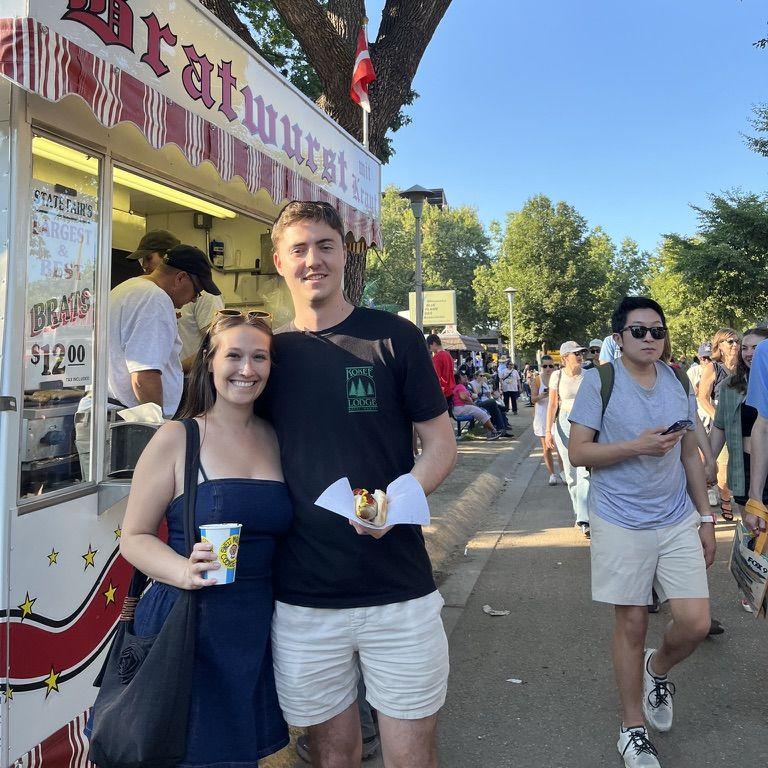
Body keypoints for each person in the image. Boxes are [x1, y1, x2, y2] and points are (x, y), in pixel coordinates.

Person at [262, 201, 457, 768]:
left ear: (346, 253)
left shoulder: (393, 338)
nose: (313, 260)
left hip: (397, 589)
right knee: (332, 758)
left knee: (410, 760)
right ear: (279, 261)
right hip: (302, 597)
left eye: (325, 246)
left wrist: (394, 504)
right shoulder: (269, 355)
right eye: (298, 249)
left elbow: (440, 445)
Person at [118, 311, 291, 766]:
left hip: (254, 626)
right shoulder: (178, 438)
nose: (247, 369)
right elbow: (133, 537)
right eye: (233, 356)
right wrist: (182, 569)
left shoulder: (277, 437)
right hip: (186, 623)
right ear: (210, 362)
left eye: (260, 357)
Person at [568, 296, 715, 768]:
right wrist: (637, 447)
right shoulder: (600, 382)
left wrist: (706, 518)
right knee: (631, 623)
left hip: (674, 517)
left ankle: (657, 668)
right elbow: (578, 454)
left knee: (695, 623)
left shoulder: (675, 380)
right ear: (619, 338)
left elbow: (689, 452)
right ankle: (631, 730)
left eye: (657, 330)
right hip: (619, 518)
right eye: (639, 331)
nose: (650, 338)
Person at [108, 244, 220, 417]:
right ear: (181, 278)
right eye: (196, 291)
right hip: (129, 417)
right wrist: (155, 426)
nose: (193, 299)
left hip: (112, 410)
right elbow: (144, 376)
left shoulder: (128, 288)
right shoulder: (155, 299)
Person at [710, 327, 768, 612]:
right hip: (743, 468)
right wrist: (708, 461)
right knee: (753, 528)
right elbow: (718, 427)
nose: (749, 353)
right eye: (745, 347)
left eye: (756, 347)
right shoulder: (731, 386)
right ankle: (752, 585)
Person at [129, 230, 226, 362]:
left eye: (149, 258)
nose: (144, 266)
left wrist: (180, 369)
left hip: (191, 378)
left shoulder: (203, 293)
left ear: (167, 256)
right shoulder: (152, 296)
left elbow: (218, 344)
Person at [545, 341, 591, 537]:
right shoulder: (557, 376)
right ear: (565, 358)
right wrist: (548, 431)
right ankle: (578, 512)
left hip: (584, 423)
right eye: (575, 354)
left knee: (584, 471)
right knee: (571, 473)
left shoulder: (589, 375)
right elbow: (552, 404)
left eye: (581, 353)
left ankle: (585, 518)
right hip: (563, 423)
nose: (579, 356)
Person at [697, 328, 741, 520]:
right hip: (720, 424)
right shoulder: (713, 368)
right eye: (730, 341)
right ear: (719, 345)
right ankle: (723, 498)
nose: (735, 345)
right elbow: (703, 397)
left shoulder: (744, 367)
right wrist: (720, 417)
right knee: (720, 468)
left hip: (741, 423)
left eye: (737, 341)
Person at [531, 355, 562, 485]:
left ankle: (563, 472)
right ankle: (552, 474)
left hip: (557, 415)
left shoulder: (559, 378)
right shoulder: (537, 380)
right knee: (547, 447)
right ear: (541, 367)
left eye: (551, 366)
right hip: (542, 416)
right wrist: (541, 396)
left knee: (560, 446)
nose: (548, 369)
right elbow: (532, 399)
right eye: (545, 366)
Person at [452, 373, 501, 440]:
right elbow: (463, 397)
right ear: (459, 380)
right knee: (482, 413)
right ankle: (493, 431)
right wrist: (472, 403)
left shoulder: (458, 386)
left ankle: (491, 431)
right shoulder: (460, 386)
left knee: (482, 412)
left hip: (460, 408)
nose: (465, 378)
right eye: (462, 377)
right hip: (461, 407)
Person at [468, 371, 513, 436]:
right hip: (478, 402)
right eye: (481, 376)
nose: (482, 377)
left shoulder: (484, 384)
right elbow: (476, 394)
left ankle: (502, 429)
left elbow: (489, 394)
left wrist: (488, 393)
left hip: (487, 401)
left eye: (483, 376)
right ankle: (502, 427)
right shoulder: (472, 383)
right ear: (476, 376)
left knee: (496, 408)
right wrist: (480, 383)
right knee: (494, 403)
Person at [427, 334, 455, 410]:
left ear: (434, 343)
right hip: (451, 389)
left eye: (429, 346)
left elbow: (436, 377)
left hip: (442, 391)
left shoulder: (437, 357)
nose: (429, 349)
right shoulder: (448, 355)